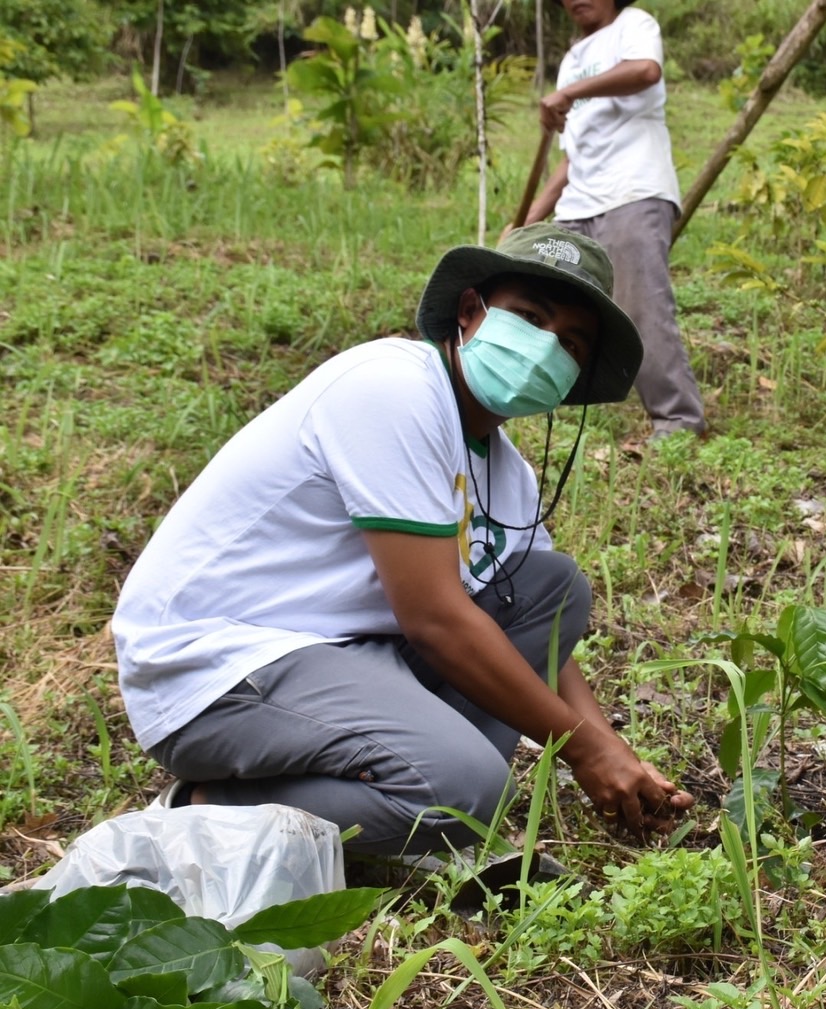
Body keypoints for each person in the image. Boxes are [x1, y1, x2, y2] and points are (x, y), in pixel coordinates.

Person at [112, 224, 693, 856]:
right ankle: (201, 811)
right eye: (530, 317)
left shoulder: (508, 473)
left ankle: (408, 792)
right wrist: (586, 750)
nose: (544, 348)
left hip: (341, 654)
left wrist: (610, 747)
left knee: (552, 587)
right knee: (464, 791)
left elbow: (543, 638)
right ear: (469, 311)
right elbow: (434, 620)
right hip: (222, 664)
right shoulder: (393, 387)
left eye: (571, 344)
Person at [520, 0, 705, 438]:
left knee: (642, 310)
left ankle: (678, 421)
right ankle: (537, 402)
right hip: (576, 206)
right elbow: (571, 160)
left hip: (633, 193)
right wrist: (527, 222)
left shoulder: (633, 25)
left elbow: (645, 71)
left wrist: (570, 93)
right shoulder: (572, 59)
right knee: (538, 297)